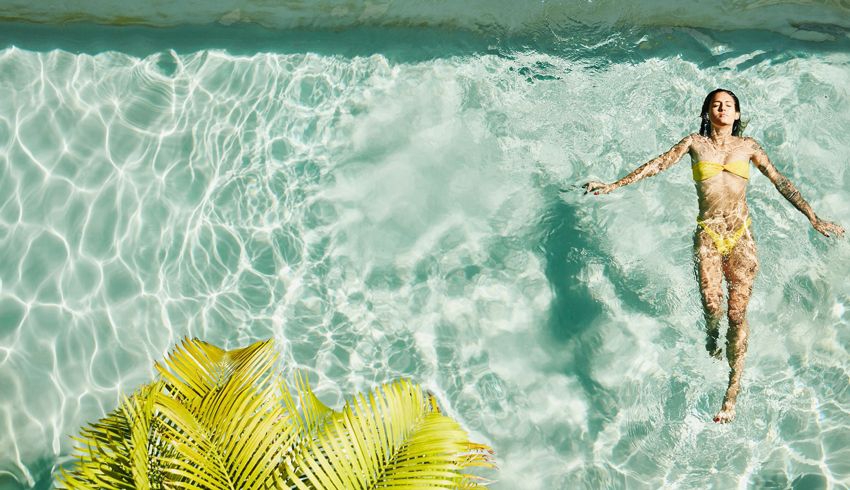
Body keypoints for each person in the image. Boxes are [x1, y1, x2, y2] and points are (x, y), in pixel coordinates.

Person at [582, 89, 845, 423]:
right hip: (708, 234)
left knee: (736, 314)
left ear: (737, 115)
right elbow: (657, 164)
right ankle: (711, 333)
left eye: (729, 105)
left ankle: (731, 391)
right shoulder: (695, 143)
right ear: (707, 112)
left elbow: (780, 181)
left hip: (740, 236)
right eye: (716, 104)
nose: (722, 108)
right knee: (712, 306)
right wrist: (614, 185)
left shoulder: (748, 147)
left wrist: (813, 216)